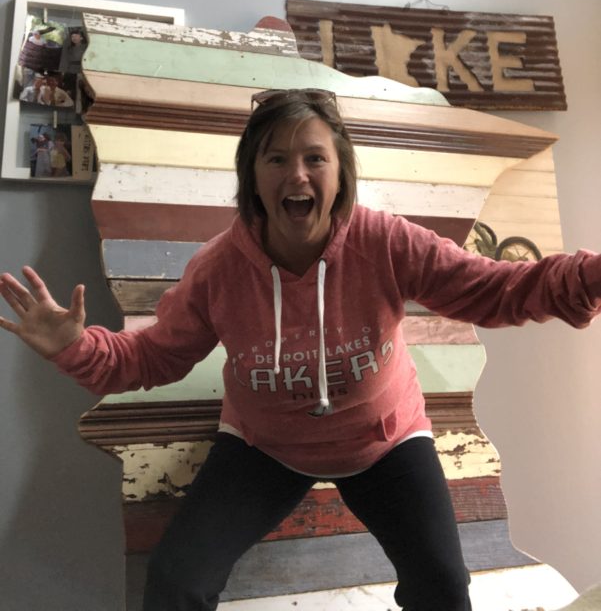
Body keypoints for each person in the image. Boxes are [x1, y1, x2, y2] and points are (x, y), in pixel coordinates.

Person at [1, 87, 600, 611]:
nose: (297, 175)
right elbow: (152, 356)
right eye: (277, 158)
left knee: (443, 586)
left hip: (384, 441)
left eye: (316, 158)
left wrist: (592, 276)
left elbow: (495, 290)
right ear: (252, 176)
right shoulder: (218, 270)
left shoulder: (385, 242)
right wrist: (73, 346)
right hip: (266, 449)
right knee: (175, 581)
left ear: (340, 174)